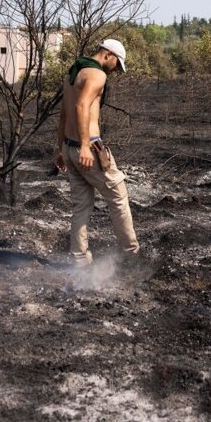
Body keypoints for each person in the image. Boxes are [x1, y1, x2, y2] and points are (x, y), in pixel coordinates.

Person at [54, 39, 139, 266]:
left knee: (81, 206)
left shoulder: (73, 74)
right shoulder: (96, 74)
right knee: (118, 197)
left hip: (69, 148)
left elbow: (63, 115)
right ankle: (131, 255)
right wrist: (84, 145)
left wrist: (61, 149)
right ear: (108, 54)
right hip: (88, 148)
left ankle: (79, 260)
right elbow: (81, 106)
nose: (114, 71)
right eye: (116, 65)